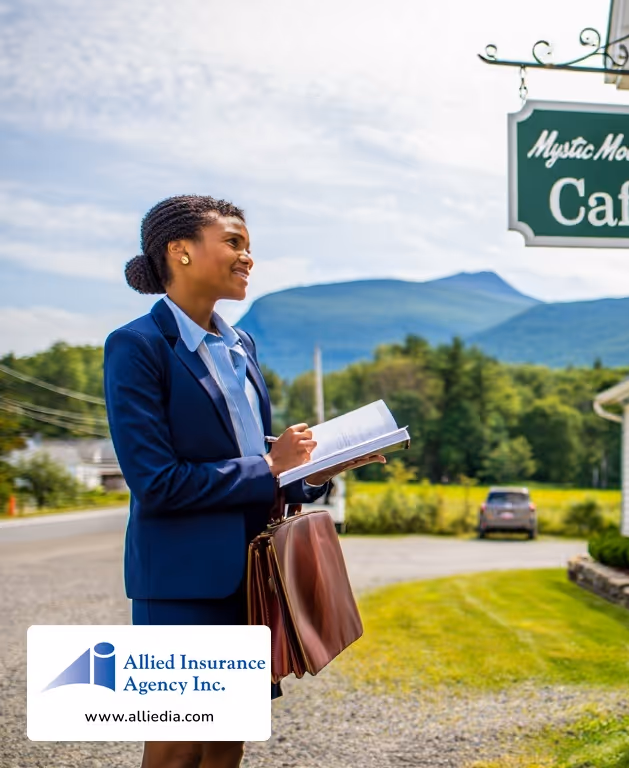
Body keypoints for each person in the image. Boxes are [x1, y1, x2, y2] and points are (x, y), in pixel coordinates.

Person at [105, 196, 383, 768]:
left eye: (248, 245)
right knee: (179, 741)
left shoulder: (241, 346)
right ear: (180, 252)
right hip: (182, 583)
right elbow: (157, 482)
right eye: (233, 242)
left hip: (253, 576)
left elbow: (256, 463)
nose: (248, 257)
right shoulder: (136, 347)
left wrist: (314, 470)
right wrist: (272, 466)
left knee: (230, 736)